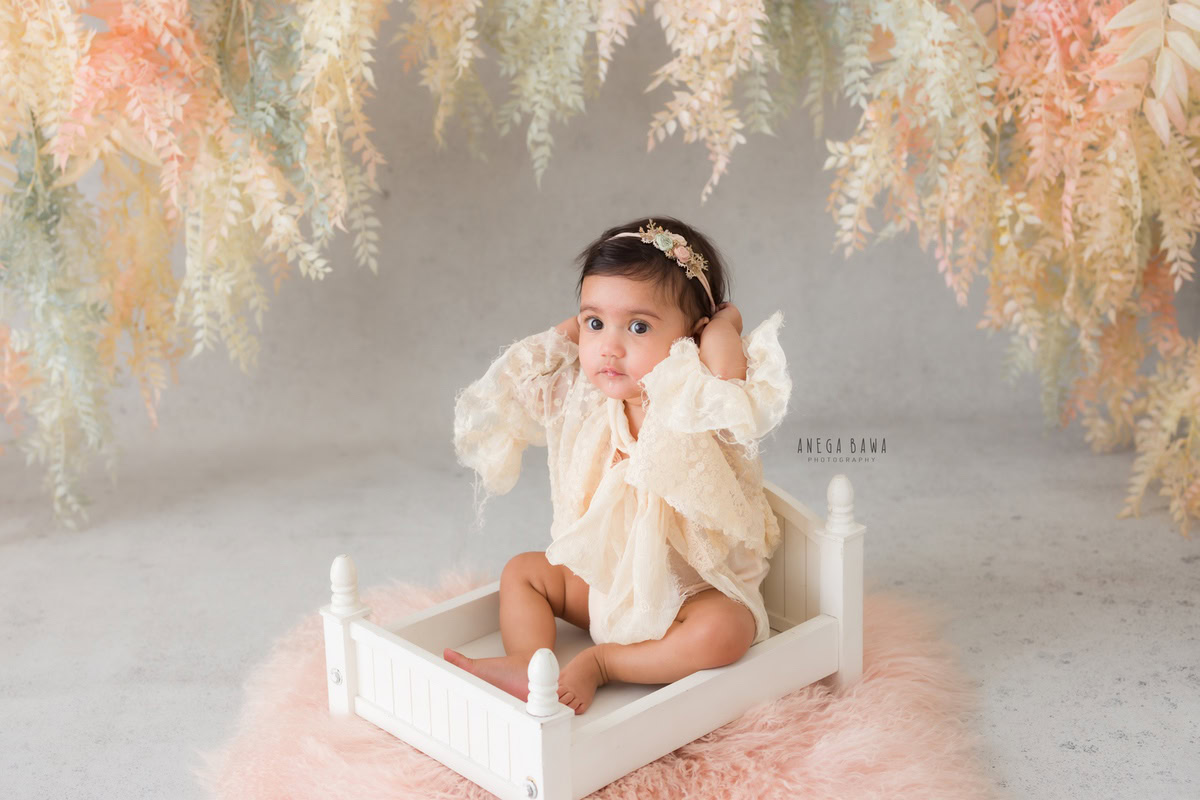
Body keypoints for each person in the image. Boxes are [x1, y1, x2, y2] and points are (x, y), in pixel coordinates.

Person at [448, 216, 792, 714]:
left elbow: (728, 377)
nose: (609, 347)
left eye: (637, 326)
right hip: (607, 586)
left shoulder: (691, 403)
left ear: (689, 341)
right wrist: (586, 326)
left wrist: (723, 323)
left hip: (686, 595)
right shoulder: (588, 400)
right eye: (594, 323)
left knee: (727, 629)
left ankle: (604, 663)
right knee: (523, 572)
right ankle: (528, 662)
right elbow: (526, 372)